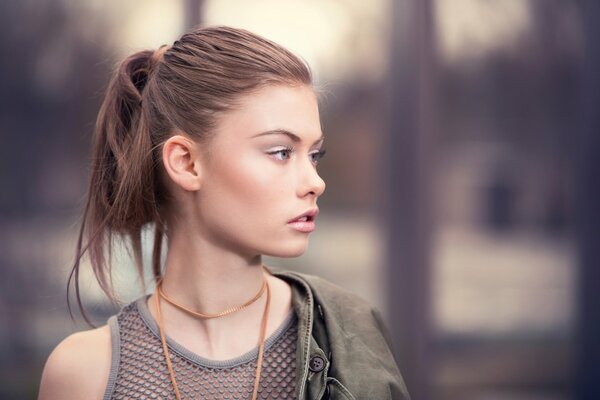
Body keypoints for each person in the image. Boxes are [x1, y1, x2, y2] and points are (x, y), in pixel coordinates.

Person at [38, 25, 410, 400]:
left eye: (314, 154)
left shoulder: (350, 333)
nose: (315, 181)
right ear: (186, 163)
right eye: (281, 152)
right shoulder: (85, 374)